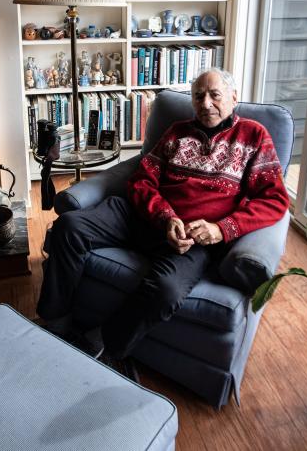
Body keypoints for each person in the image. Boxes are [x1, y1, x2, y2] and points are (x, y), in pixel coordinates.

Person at [37, 68, 290, 362]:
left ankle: (102, 343)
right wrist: (165, 216)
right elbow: (141, 180)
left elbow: (274, 200)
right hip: (143, 216)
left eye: (215, 95)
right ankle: (55, 323)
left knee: (167, 290)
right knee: (70, 225)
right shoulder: (176, 132)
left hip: (192, 239)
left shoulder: (254, 136)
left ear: (234, 98)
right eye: (198, 96)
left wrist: (222, 229)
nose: (206, 103)